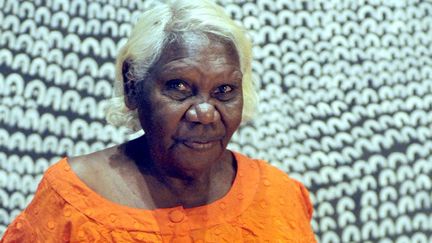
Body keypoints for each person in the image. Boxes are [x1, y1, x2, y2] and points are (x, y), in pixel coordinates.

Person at [1, 0, 316, 242]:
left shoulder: (277, 196)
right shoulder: (72, 198)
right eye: (179, 86)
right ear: (132, 86)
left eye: (224, 90)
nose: (205, 113)